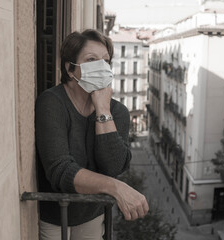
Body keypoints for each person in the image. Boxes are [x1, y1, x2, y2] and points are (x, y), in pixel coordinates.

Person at [35, 29, 149, 240]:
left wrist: (103, 111)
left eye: (106, 61)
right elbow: (60, 170)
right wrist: (115, 188)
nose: (101, 67)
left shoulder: (117, 112)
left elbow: (113, 166)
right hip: (54, 217)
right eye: (91, 60)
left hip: (93, 215)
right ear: (70, 69)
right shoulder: (51, 103)